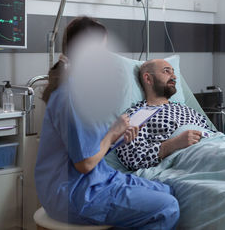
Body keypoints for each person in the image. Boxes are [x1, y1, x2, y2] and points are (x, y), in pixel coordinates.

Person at [35, 17, 179, 229]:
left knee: (167, 191)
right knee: (167, 207)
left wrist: (117, 135)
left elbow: (92, 144)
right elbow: (84, 164)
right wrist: (112, 134)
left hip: (97, 178)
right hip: (73, 193)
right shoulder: (72, 96)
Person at [116, 59, 214, 171]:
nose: (174, 77)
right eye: (166, 71)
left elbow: (211, 134)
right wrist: (172, 145)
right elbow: (132, 158)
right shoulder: (136, 115)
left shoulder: (187, 109)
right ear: (148, 78)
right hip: (189, 159)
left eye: (173, 72)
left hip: (213, 146)